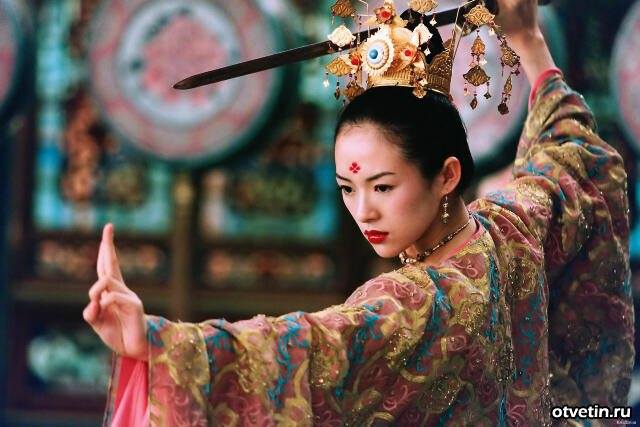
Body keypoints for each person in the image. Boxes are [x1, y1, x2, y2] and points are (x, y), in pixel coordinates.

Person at [84, 0, 634, 425]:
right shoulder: (512, 225)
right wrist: (528, 40)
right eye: (348, 188)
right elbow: (570, 157)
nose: (364, 210)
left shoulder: (418, 304)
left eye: (383, 186)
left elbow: (309, 348)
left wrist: (156, 341)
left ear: (446, 175)